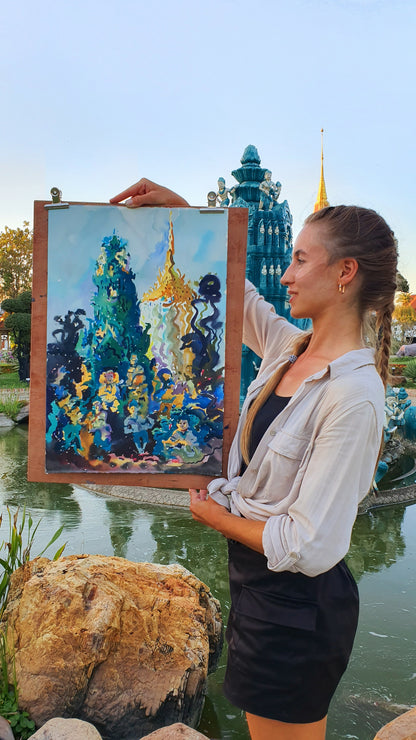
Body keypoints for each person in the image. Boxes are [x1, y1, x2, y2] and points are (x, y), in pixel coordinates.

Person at [110, 178, 398, 740]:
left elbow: (307, 543)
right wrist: (185, 216)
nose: (286, 274)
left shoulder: (354, 396)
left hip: (298, 607)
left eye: (299, 259)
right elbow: (240, 299)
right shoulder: (292, 347)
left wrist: (212, 514)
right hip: (259, 589)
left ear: (346, 273)